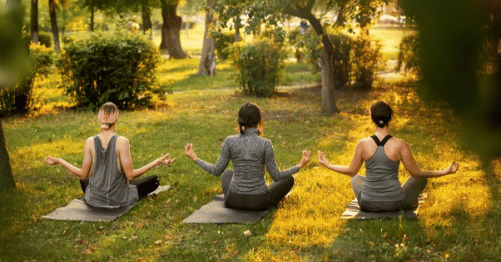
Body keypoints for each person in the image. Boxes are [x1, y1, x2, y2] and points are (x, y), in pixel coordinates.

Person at [317, 100, 459, 212]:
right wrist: (445, 171)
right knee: (421, 180)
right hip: (396, 202)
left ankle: (391, 196)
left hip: (368, 204)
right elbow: (417, 173)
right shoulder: (400, 144)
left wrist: (328, 164)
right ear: (390, 118)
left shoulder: (363, 144)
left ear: (372, 119)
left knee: (355, 178)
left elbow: (351, 171)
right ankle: (408, 200)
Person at [44, 102, 175, 208]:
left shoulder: (89, 142)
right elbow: (130, 175)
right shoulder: (122, 142)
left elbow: (83, 175)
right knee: (154, 180)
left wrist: (60, 160)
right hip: (119, 199)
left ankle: (98, 193)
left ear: (99, 119)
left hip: (94, 200)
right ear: (116, 119)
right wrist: (156, 162)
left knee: (84, 177)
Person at [184, 102, 311, 210]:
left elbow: (216, 170)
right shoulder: (265, 144)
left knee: (227, 173)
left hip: (233, 201)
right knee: (288, 179)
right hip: (259, 202)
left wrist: (194, 157)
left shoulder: (229, 141)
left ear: (240, 121)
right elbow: (276, 176)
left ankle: (245, 194)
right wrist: (300, 165)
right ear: (260, 121)